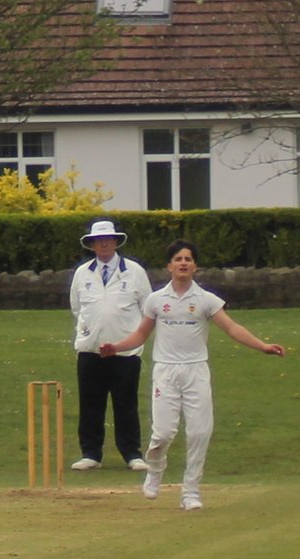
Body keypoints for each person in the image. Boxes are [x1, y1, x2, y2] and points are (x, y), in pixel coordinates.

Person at [100, 240, 284, 511]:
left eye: (188, 259)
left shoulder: (206, 300)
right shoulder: (156, 300)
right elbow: (140, 334)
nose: (183, 263)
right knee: (162, 433)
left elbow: (232, 328)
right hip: (166, 371)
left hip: (196, 371)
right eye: (178, 259)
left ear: (195, 266)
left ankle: (191, 491)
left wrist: (262, 346)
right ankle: (155, 470)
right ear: (169, 266)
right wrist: (115, 347)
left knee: (199, 432)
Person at [69, 219, 152, 472]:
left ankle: (132, 454)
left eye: (108, 239)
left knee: (125, 403)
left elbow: (147, 308)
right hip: (90, 350)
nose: (103, 244)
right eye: (98, 240)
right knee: (90, 403)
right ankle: (91, 454)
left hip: (125, 350)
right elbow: (77, 308)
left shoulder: (134, 271)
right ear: (92, 245)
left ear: (116, 242)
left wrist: (128, 338)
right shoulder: (83, 273)